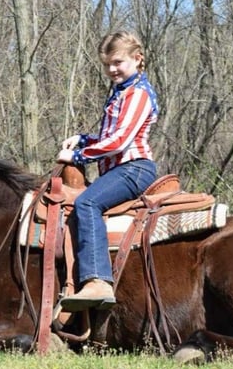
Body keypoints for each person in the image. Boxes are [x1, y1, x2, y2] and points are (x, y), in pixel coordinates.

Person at [57, 30, 158, 311]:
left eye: (117, 62)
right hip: (119, 168)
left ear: (137, 59)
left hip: (134, 169)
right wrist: (82, 138)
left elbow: (119, 142)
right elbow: (107, 136)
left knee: (87, 202)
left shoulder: (137, 94)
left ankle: (98, 280)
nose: (111, 69)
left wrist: (77, 155)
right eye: (107, 65)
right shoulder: (121, 92)